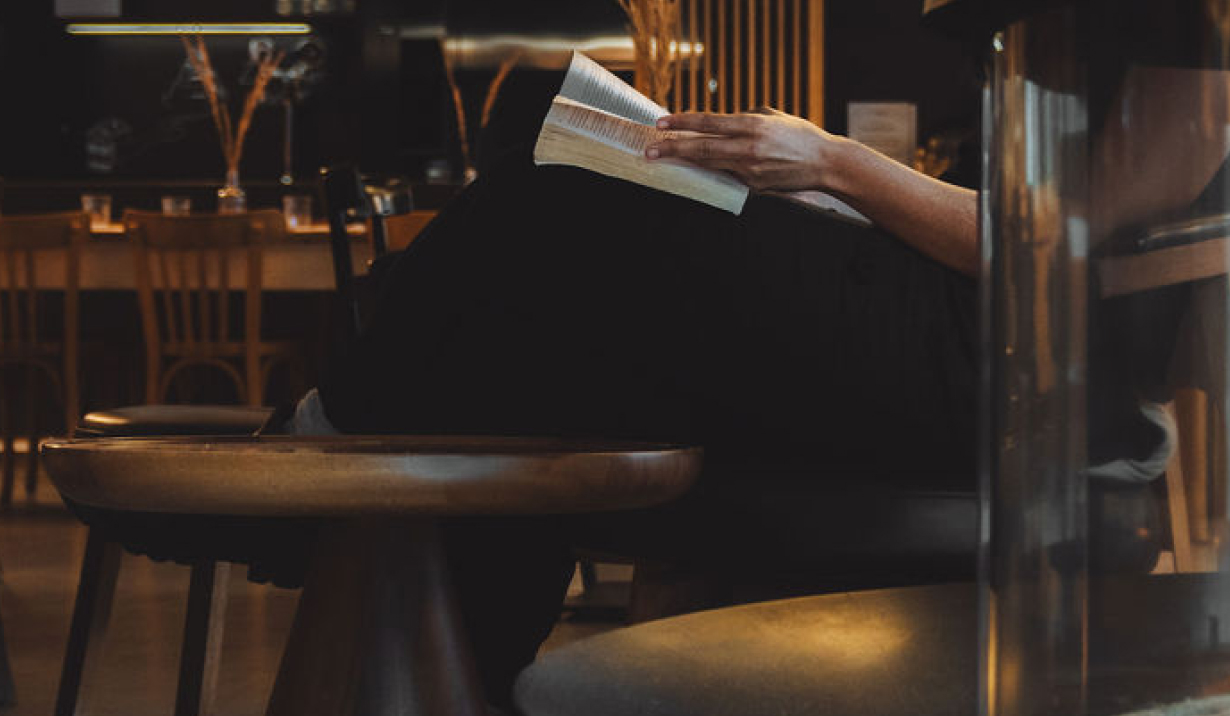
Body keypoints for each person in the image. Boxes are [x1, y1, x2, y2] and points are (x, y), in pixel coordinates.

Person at [308, 68, 982, 708]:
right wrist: (832, 201)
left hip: (985, 349)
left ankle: (324, 441)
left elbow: (1041, 240)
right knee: (531, 343)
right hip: (954, 305)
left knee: (542, 194)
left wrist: (835, 162)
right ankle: (480, 683)